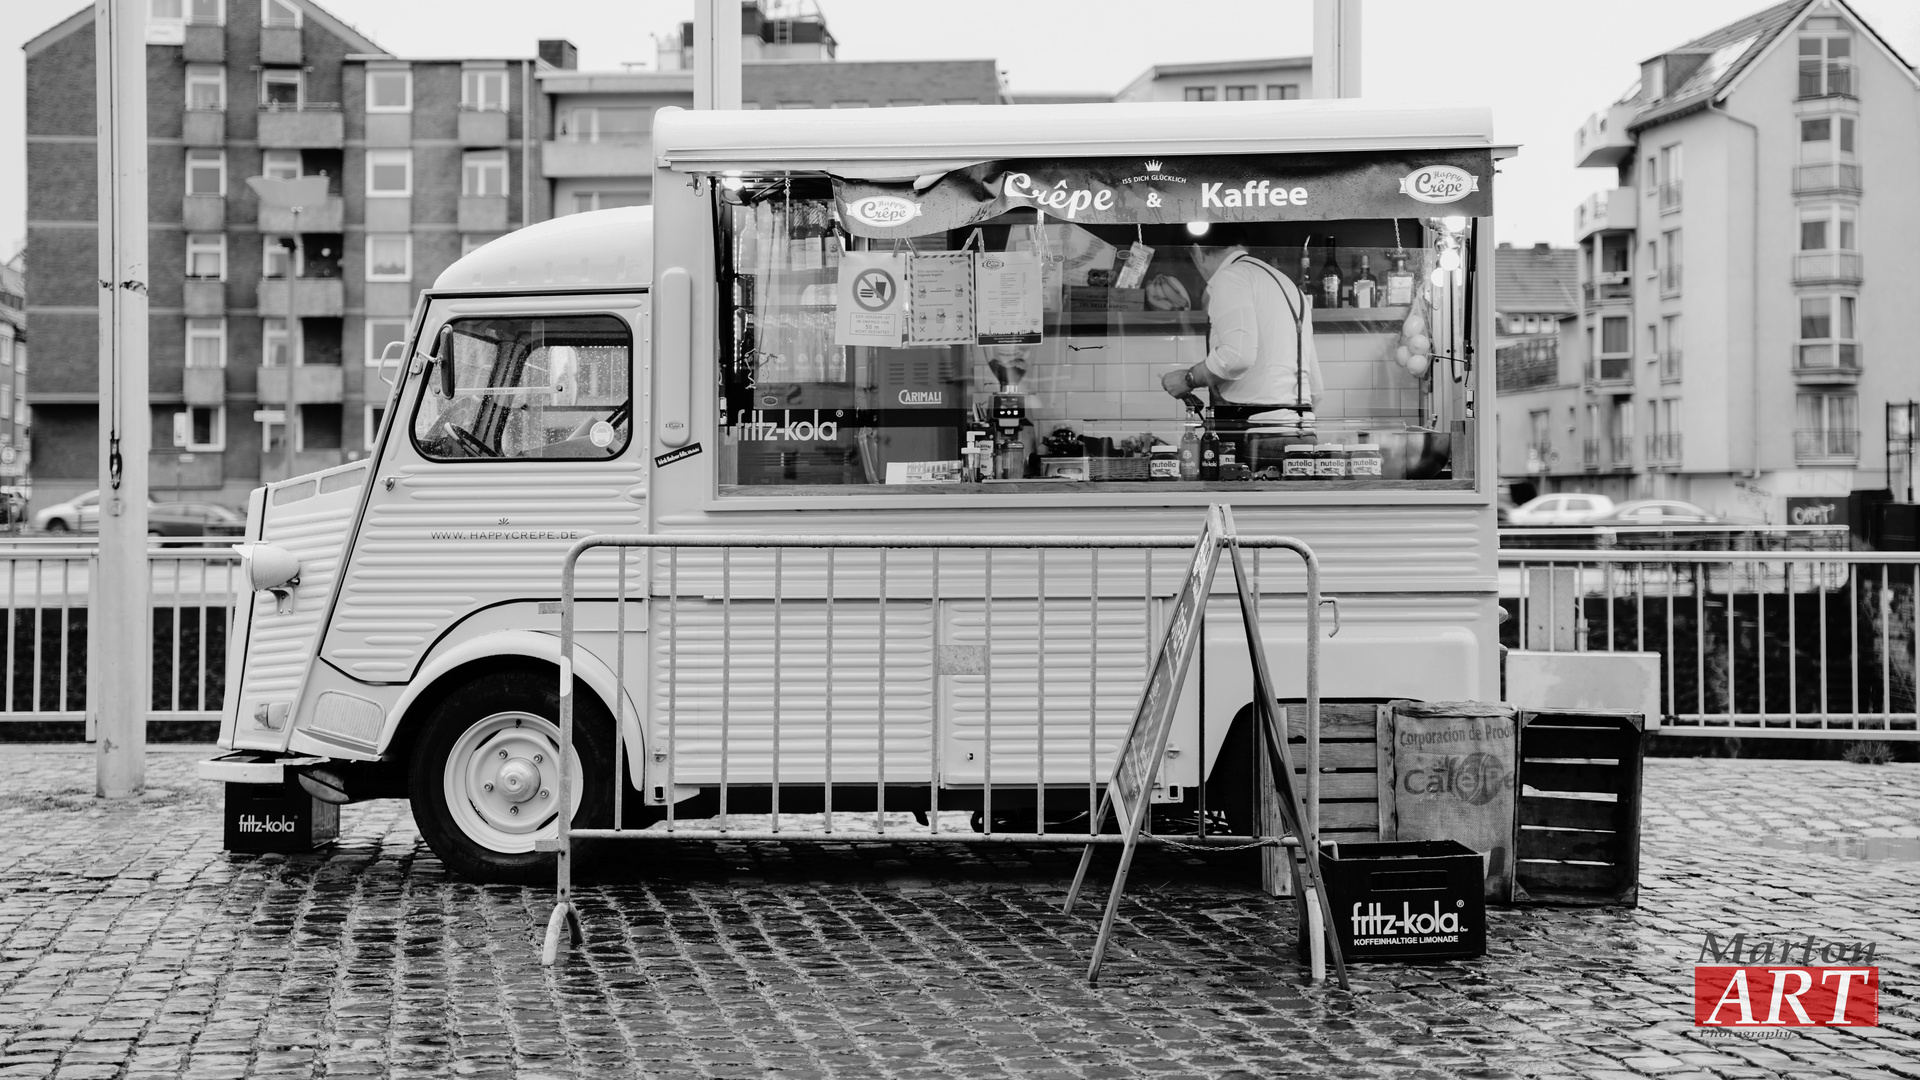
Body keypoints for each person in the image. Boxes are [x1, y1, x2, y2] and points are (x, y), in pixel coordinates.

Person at [1160, 238, 1321, 427]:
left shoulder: (1232, 277)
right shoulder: (1291, 288)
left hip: (1256, 434)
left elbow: (1236, 358)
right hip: (1302, 431)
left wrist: (1188, 378)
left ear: (1196, 251)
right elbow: (1316, 390)